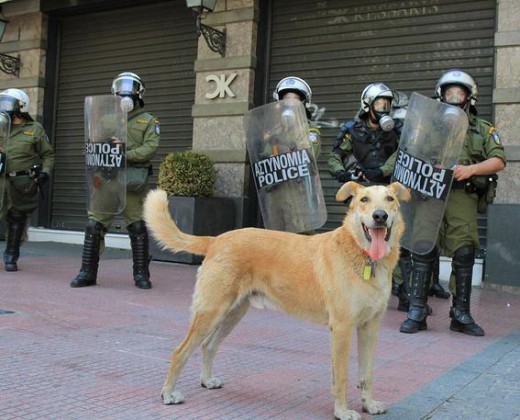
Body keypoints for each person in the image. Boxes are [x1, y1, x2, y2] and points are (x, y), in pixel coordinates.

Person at [400, 69, 506, 336]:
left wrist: (470, 170)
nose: (455, 97)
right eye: (450, 93)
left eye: (460, 93)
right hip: (429, 194)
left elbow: (499, 160)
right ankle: (417, 310)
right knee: (422, 250)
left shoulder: (482, 129)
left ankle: (461, 313)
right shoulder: (427, 127)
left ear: (469, 97)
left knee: (464, 253)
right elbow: (407, 155)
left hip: (461, 195)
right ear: (441, 96)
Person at [70, 72, 160, 289]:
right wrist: (108, 146)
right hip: (107, 179)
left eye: (132, 86)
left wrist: (124, 152)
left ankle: (141, 275)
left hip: (132, 181)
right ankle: (87, 272)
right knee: (94, 224)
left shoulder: (148, 120)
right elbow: (94, 144)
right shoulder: (106, 119)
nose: (126, 90)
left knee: (137, 226)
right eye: (122, 85)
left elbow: (150, 148)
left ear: (140, 91)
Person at [328, 82, 412, 309]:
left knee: (393, 242)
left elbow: (403, 153)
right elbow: (335, 156)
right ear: (368, 106)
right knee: (357, 240)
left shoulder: (396, 130)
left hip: (387, 193)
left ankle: (403, 290)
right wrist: (341, 174)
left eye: (387, 104)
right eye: (379, 103)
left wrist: (383, 171)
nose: (384, 108)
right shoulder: (351, 129)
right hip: (363, 193)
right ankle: (354, 283)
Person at [257, 76, 322, 233]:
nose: (290, 104)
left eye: (295, 100)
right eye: (286, 99)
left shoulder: (310, 131)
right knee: (275, 240)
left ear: (304, 104)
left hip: (298, 193)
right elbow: (263, 158)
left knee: (301, 240)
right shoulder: (273, 132)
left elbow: (310, 155)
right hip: (276, 193)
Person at [0, 89, 55, 272]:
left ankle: (11, 256)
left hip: (21, 182)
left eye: (8, 103)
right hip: (0, 180)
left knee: (17, 219)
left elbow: (48, 155)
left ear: (20, 106)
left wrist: (45, 172)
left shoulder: (34, 129)